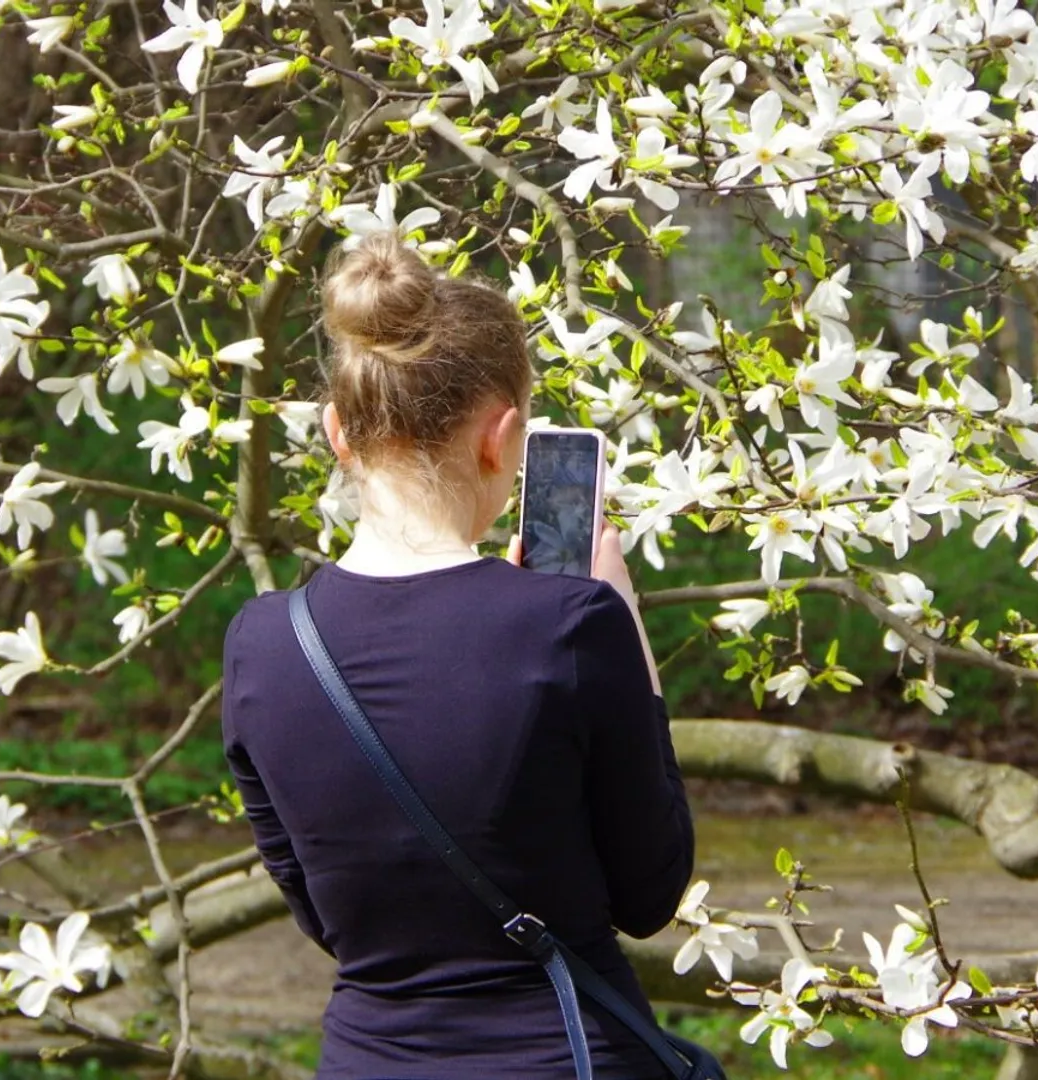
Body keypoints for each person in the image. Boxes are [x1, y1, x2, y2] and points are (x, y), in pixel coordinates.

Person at [221, 233, 695, 1079]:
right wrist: (622, 629)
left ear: (338, 433)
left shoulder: (261, 644)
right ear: (501, 438)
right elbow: (649, 893)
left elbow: (326, 917)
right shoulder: (572, 625)